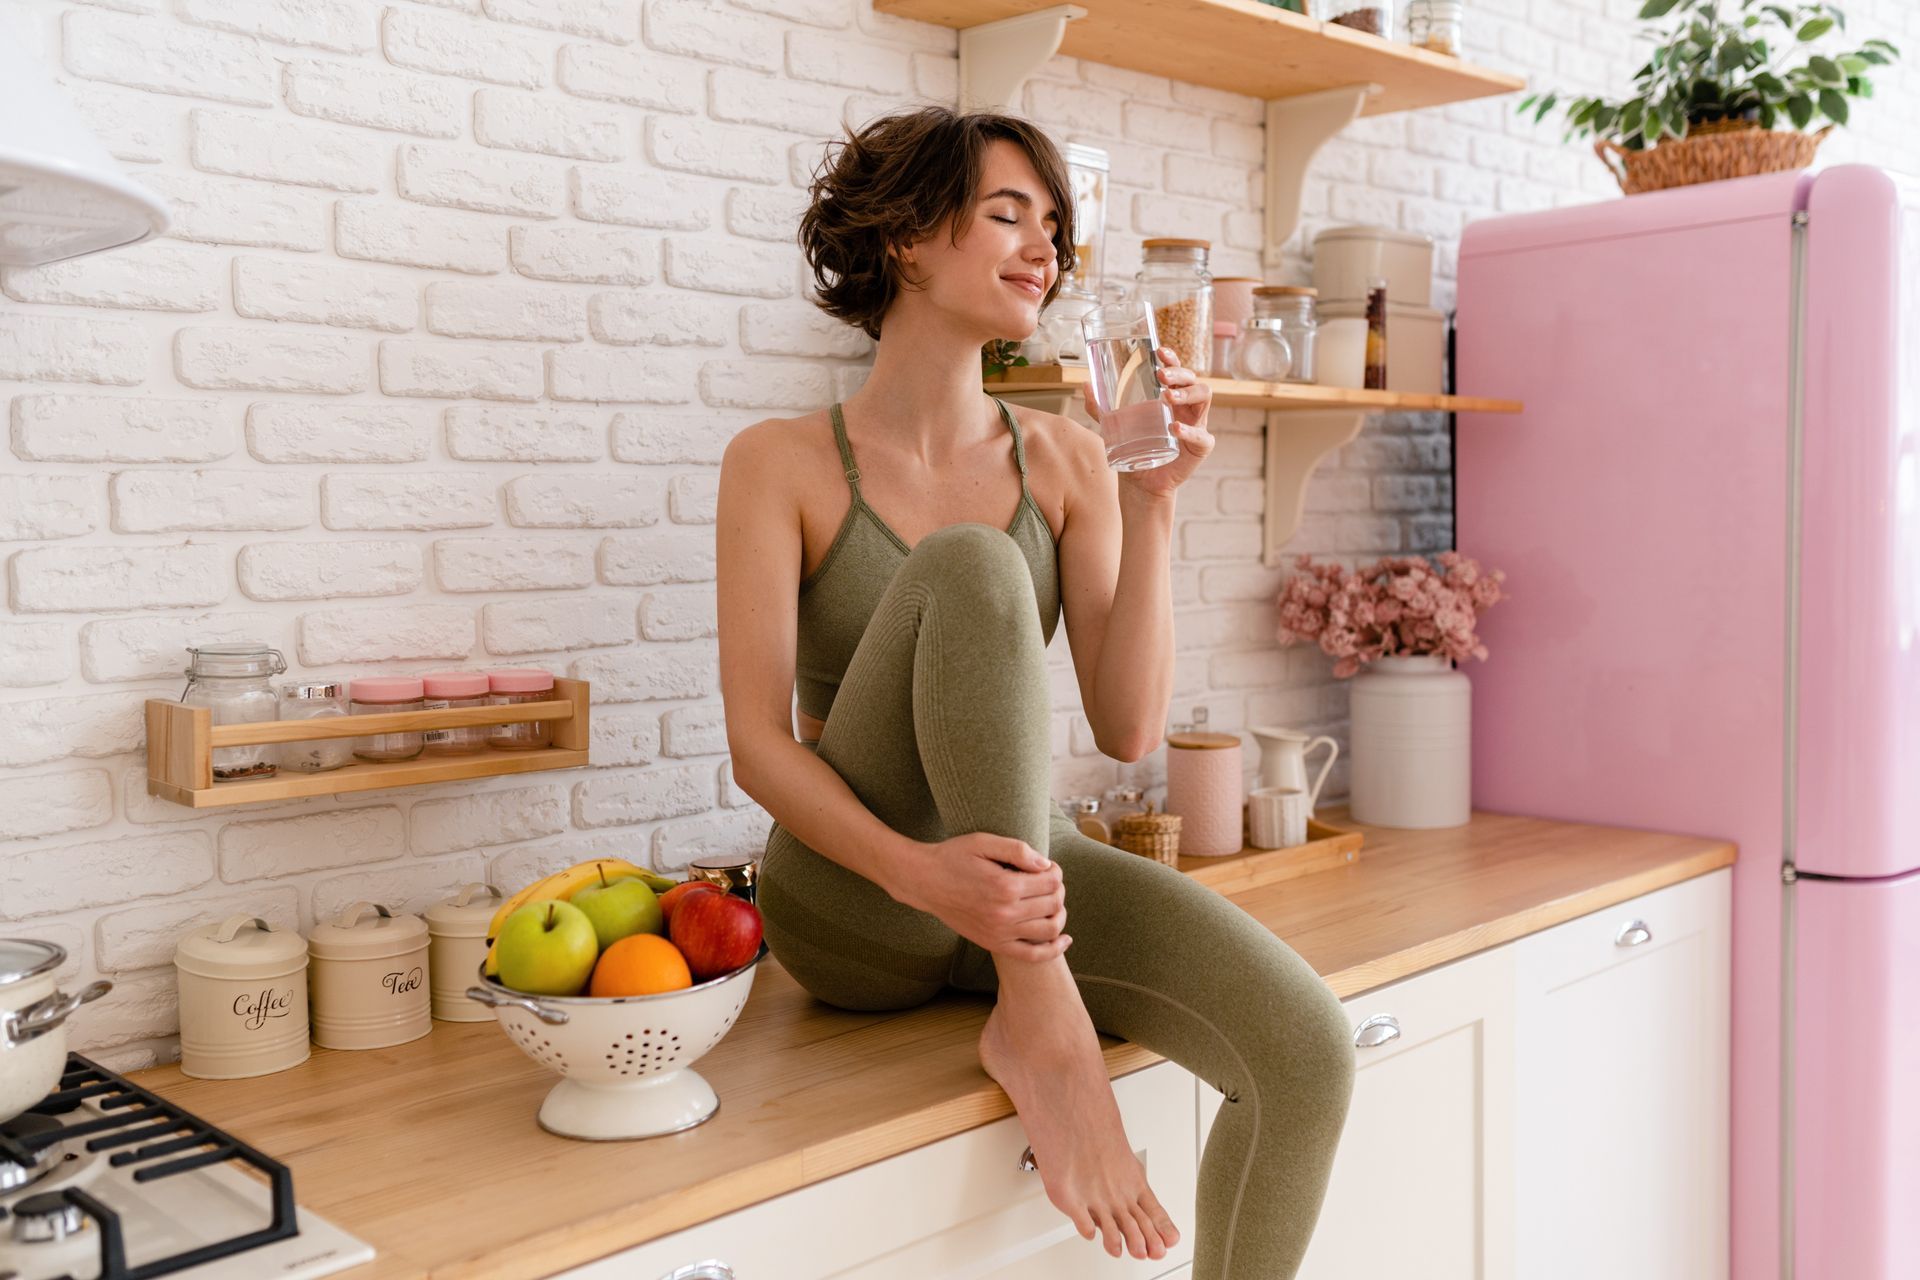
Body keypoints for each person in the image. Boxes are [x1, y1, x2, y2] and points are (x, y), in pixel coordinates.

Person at [715, 105, 1355, 1277]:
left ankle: (1032, 990)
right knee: (969, 559)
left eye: (1054, 226)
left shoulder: (1066, 456)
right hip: (862, 901)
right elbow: (758, 744)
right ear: (906, 240)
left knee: (1308, 1051)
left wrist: (1154, 497)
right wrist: (923, 871)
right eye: (1008, 214)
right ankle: (1042, 1019)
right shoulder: (781, 461)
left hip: (1028, 888)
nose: (1045, 248)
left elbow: (1125, 727)